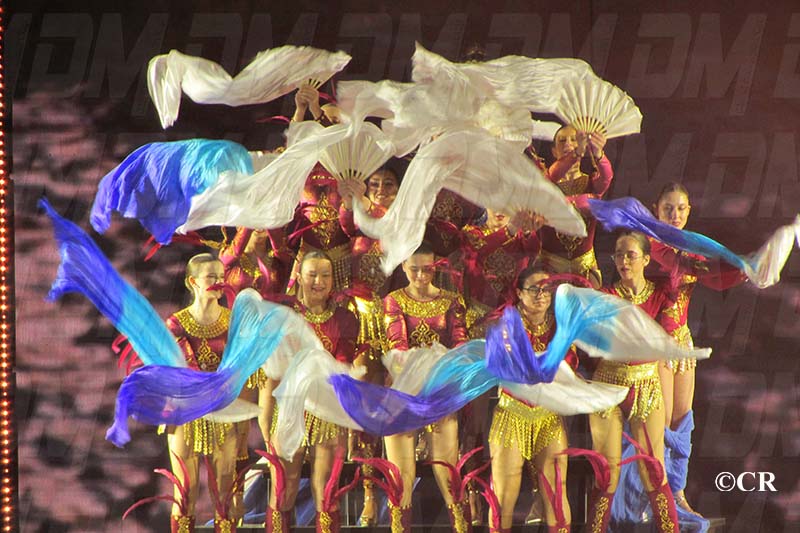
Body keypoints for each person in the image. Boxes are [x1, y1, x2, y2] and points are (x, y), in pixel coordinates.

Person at [650, 183, 744, 515]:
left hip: (682, 341)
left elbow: (714, 277)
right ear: (656, 209)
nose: (674, 215)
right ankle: (655, 493)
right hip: (654, 343)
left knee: (681, 421)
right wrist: (737, 266)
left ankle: (677, 492)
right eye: (668, 208)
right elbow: (685, 265)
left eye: (681, 209)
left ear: (689, 211)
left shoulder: (691, 248)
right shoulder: (652, 243)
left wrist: (744, 272)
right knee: (659, 424)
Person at [261, 251, 362, 533]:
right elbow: (273, 375)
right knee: (284, 489)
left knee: (326, 492)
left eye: (325, 275)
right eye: (312, 275)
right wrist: (265, 423)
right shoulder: (284, 318)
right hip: (290, 410)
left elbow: (343, 369)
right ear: (299, 277)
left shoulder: (345, 319)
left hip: (328, 412)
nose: (319, 281)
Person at [588, 232, 680, 533]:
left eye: (630, 255)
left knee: (654, 470)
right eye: (618, 255)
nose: (624, 261)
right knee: (607, 474)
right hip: (608, 387)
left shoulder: (661, 295)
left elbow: (670, 333)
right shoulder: (605, 297)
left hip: (646, 387)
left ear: (646, 259)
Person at [382, 242, 470, 532]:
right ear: (403, 267)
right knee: (401, 480)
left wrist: (444, 375)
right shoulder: (393, 300)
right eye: (414, 270)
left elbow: (460, 343)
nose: (421, 276)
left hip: (440, 392)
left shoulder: (451, 300)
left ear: (437, 267)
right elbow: (397, 346)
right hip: (403, 392)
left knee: (448, 475)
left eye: (427, 270)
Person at [337, 167, 404, 526]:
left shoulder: (404, 219)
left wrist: (362, 198)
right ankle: (366, 492)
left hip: (393, 318)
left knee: (385, 405)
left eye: (388, 184)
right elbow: (347, 223)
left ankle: (391, 493)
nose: (379, 189)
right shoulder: (359, 218)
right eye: (374, 184)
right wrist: (352, 198)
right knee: (361, 402)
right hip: (357, 318)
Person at [488, 265, 574, 533]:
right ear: (519, 293)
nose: (541, 295)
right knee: (503, 497)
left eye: (547, 289)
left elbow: (570, 361)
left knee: (556, 492)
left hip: (548, 415)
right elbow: (503, 364)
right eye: (534, 289)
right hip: (511, 414)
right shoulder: (505, 323)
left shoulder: (560, 324)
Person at [163, 253, 238, 532]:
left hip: (222, 411)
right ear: (193, 282)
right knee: (185, 491)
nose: (219, 282)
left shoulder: (233, 322)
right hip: (185, 411)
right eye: (211, 277)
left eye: (221, 276)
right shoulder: (176, 323)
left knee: (225, 494)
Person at [539, 125, 612, 288]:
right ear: (553, 151)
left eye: (574, 139)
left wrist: (599, 153)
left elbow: (606, 177)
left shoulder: (591, 184)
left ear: (584, 147)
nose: (568, 143)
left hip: (585, 267)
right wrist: (576, 153)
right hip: (550, 266)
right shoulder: (546, 183)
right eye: (562, 140)